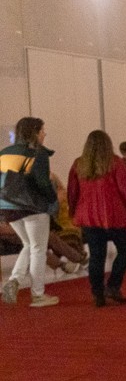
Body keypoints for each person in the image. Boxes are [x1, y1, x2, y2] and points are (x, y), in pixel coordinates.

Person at [68, 130, 126, 307]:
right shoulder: (116, 164)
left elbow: (72, 193)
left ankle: (97, 293)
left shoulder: (79, 164)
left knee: (97, 256)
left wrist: (73, 213)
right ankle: (113, 285)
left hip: (89, 217)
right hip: (114, 216)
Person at [1, 117, 60, 307]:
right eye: (42, 130)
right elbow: (42, 182)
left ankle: (14, 280)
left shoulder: (5, 152)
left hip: (8, 207)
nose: (45, 134)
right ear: (34, 132)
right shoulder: (38, 153)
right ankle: (38, 295)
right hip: (33, 206)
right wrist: (53, 199)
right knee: (38, 249)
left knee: (28, 244)